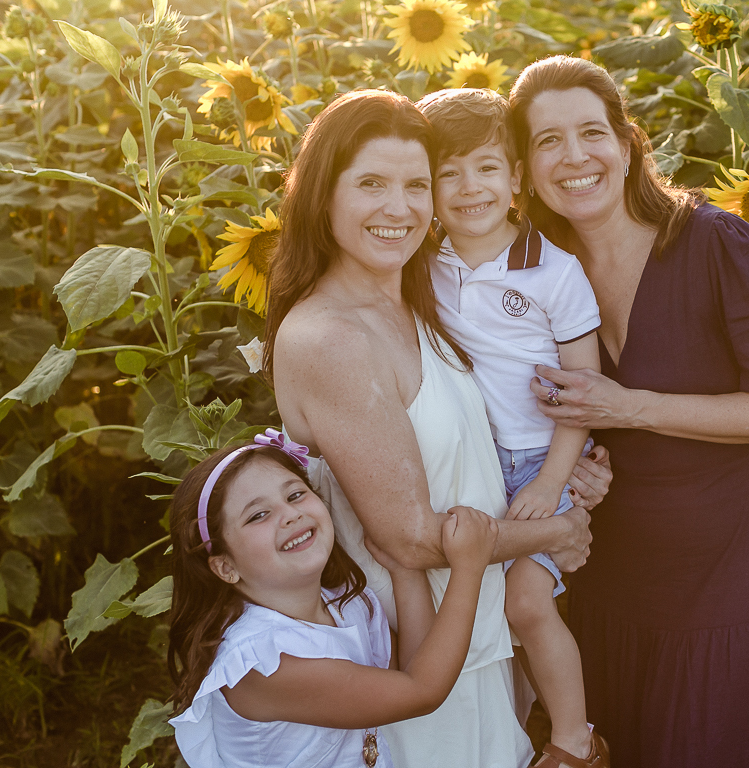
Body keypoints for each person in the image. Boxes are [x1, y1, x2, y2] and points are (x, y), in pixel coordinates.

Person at [262, 89, 611, 768]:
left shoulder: (424, 295)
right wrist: (554, 530)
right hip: (405, 658)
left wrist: (573, 468)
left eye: (415, 184)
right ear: (321, 196)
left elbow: (502, 415)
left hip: (477, 634)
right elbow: (410, 537)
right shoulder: (330, 336)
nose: (400, 208)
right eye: (370, 184)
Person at [508, 56, 749, 768]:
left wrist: (633, 408)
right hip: (615, 572)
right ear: (525, 168)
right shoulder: (540, 277)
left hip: (732, 564)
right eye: (546, 142)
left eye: (591, 133)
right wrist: (583, 464)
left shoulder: (717, 243)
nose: (574, 158)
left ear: (626, 145)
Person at [416, 87, 608, 768]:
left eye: (488, 168)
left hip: (537, 461)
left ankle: (575, 744)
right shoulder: (422, 268)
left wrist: (555, 480)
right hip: (470, 466)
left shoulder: (554, 272)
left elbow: (583, 393)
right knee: (484, 614)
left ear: (518, 179)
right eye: (449, 173)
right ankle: (515, 733)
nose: (470, 188)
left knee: (527, 604)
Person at [167, 429, 499, 768]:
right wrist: (469, 567)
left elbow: (412, 668)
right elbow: (422, 691)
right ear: (225, 567)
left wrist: (405, 569)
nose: (290, 514)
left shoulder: (344, 604)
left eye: (295, 495)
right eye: (258, 515)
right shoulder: (261, 664)